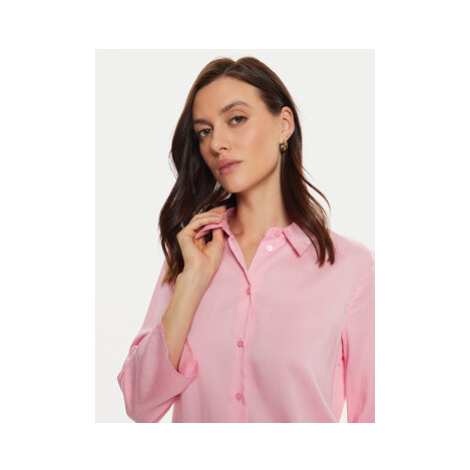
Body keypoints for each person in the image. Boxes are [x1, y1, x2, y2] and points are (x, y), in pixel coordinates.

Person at [117, 56, 375, 423]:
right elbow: (140, 405)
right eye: (204, 131)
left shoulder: (351, 269)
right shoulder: (191, 255)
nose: (217, 143)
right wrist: (191, 283)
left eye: (236, 119)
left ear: (284, 125)